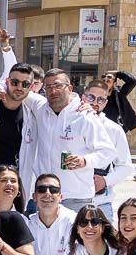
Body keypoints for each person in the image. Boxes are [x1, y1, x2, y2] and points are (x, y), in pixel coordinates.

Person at [24, 68, 116, 210]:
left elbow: (108, 152)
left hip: (76, 197)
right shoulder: (40, 108)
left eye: (58, 86)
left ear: (70, 88)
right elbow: (14, 85)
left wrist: (85, 161)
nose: (53, 91)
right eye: (48, 87)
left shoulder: (84, 116)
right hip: (44, 196)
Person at [82, 80, 134, 219]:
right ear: (83, 97)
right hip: (71, 199)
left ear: (105, 103)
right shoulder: (69, 123)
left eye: (100, 99)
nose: (95, 103)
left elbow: (125, 166)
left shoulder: (114, 130)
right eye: (91, 97)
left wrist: (106, 180)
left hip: (101, 203)